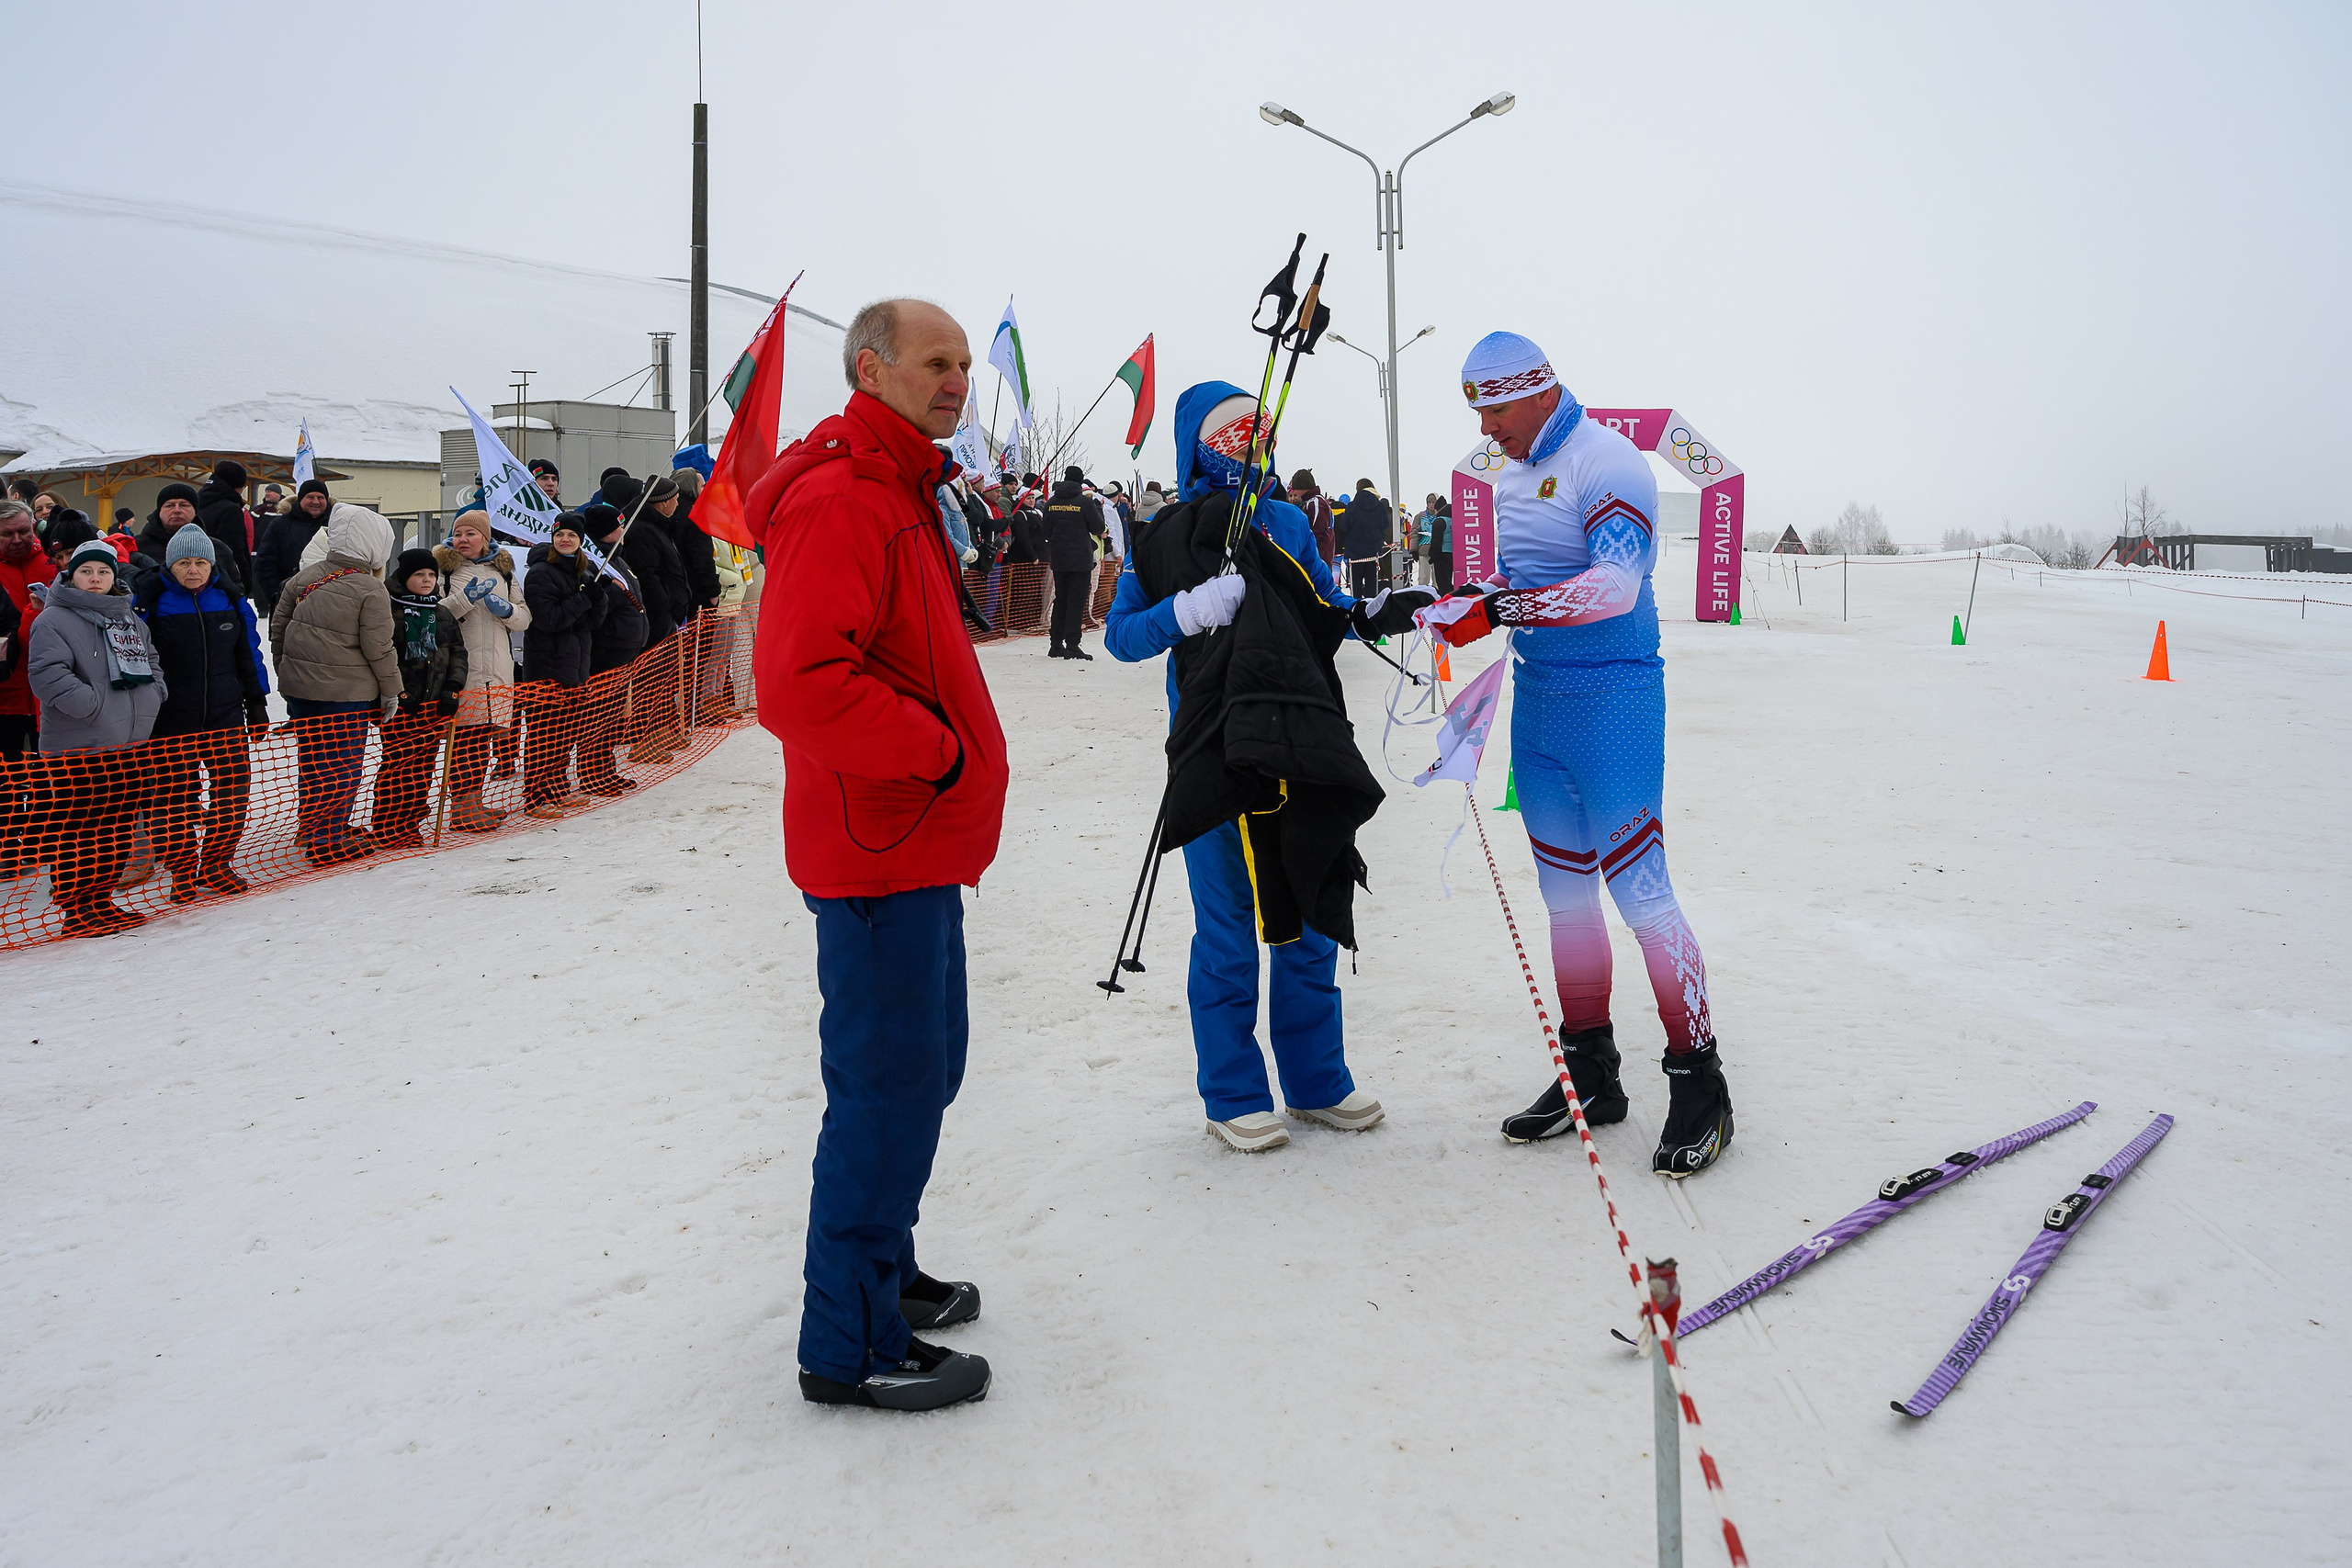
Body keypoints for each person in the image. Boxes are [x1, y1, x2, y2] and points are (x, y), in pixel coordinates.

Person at [745, 297, 1007, 1413]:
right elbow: (799, 682)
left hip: (913, 841)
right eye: (934, 362)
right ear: (871, 368)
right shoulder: (847, 495)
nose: (955, 379)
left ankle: (881, 1274)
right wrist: (937, 753)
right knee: (885, 1089)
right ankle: (847, 1341)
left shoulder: (899, 483)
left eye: (961, 364)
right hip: (879, 841)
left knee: (922, 1071)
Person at [1434, 331, 1734, 1177]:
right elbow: (1519, 579)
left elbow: (1615, 586)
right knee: (1567, 902)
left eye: (1493, 410)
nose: (1487, 431)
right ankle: (1592, 1071)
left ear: (1534, 392)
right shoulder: (1515, 472)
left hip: (1616, 706)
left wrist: (1498, 611)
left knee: (1643, 896)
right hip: (1542, 707)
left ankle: (1701, 1081)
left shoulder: (1611, 460)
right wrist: (1459, 600)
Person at [1103, 380, 1430, 1154]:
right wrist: (1186, 612)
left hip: (1299, 736)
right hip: (1215, 744)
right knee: (1227, 925)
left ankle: (1317, 1080)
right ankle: (1233, 1091)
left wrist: (1380, 611)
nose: (1251, 446)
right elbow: (1121, 635)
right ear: (1197, 447)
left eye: (1260, 430)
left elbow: (1322, 605)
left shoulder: (1285, 518)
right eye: (1232, 435)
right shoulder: (1163, 532)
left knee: (1311, 901)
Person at [26, 540, 167, 936]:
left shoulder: (129, 619)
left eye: (103, 572)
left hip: (129, 742)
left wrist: (154, 694)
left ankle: (101, 899)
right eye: (87, 571)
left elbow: (152, 661)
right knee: (83, 828)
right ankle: (77, 906)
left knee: (118, 826)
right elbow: (48, 677)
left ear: (114, 576)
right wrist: (95, 706)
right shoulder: (53, 620)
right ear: (71, 574)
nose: (95, 579)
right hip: (81, 745)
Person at [133, 524, 268, 899]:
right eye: (184, 563)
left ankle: (216, 863)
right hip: (171, 716)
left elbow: (249, 653)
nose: (193, 570)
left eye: (200, 563)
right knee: (173, 796)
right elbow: (137, 660)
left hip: (225, 713)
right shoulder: (151, 599)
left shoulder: (228, 596)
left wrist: (256, 703)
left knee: (233, 790)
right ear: (170, 565)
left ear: (211, 565)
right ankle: (181, 870)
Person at [270, 503, 401, 864]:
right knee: (342, 766)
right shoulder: (370, 589)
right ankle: (329, 837)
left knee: (312, 761)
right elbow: (380, 648)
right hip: (346, 695)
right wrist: (392, 691)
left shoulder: (304, 577)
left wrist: (285, 672)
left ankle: (314, 827)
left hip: (301, 691)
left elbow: (278, 630)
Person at [432, 512, 530, 831]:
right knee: (465, 741)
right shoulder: (442, 569)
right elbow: (437, 613)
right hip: (465, 667)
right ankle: (461, 808)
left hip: (498, 666)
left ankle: (474, 801)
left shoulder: (503, 572)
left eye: (471, 534)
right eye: (458, 533)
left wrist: (507, 611)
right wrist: (466, 598)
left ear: (485, 539)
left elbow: (524, 617)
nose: (463, 539)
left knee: (484, 738)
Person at [368, 548, 469, 848]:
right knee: (398, 764)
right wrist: (397, 693)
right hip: (400, 705)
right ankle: (388, 824)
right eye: (419, 575)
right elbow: (380, 655)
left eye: (431, 575)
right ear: (404, 577)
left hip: (433, 706)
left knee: (424, 766)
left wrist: (453, 687)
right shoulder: (387, 608)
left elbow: (457, 652)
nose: (426, 581)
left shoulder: (441, 612)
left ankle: (410, 822)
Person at [518, 513, 606, 818]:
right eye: (560, 534)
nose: (565, 539)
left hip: (576, 664)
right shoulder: (541, 572)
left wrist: (599, 598)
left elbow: (593, 622)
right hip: (548, 667)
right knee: (544, 734)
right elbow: (550, 619)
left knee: (565, 734)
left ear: (581, 541)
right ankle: (535, 796)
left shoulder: (583, 572)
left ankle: (557, 788)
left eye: (572, 535)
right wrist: (583, 600)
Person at [0, 500, 58, 876]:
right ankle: (5, 848)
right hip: (5, 695)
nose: (19, 539)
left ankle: (38, 844)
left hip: (47, 696)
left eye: (25, 531)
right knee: (5, 778)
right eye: (8, 535)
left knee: (44, 776)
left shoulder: (52, 564)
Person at [580, 505, 650, 795]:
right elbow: (600, 604)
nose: (623, 531)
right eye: (618, 526)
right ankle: (592, 773)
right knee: (599, 713)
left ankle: (606, 769)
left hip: (625, 648)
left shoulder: (615, 558)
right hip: (608, 648)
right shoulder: (595, 561)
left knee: (611, 714)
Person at [1042, 465, 1104, 660]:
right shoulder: (1084, 503)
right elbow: (1098, 528)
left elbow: (1045, 531)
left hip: (1059, 558)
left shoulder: (1051, 503)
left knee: (1060, 600)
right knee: (1076, 602)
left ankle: (1055, 644)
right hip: (1080, 560)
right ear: (1081, 481)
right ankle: (1072, 644)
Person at [254, 479, 332, 611]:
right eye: (310, 497)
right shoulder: (280, 525)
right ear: (300, 499)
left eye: (320, 497)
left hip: (330, 604)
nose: (316, 501)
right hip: (287, 603)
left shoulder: (337, 525)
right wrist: (276, 596)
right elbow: (265, 563)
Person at [192, 459, 260, 605]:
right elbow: (235, 550)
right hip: (223, 584)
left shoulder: (196, 505)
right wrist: (245, 584)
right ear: (238, 488)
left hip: (195, 578)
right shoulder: (230, 510)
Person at [1339, 479, 1392, 598]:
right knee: (1372, 588)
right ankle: (1371, 613)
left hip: (1355, 553)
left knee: (1355, 589)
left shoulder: (1352, 506)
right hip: (1373, 553)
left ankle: (1357, 612)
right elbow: (1385, 526)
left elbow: (1344, 526)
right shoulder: (1380, 507)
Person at [137, 483, 203, 564]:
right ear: (159, 512)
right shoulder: (137, 547)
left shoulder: (215, 548)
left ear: (195, 511)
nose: (177, 510)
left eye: (184, 505)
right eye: (169, 506)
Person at [1289, 469, 1337, 571]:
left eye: (1294, 488)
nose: (1293, 492)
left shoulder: (1315, 503)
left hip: (1318, 564)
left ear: (1301, 487)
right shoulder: (1312, 502)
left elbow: (1321, 534)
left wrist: (1312, 559)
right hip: (1320, 562)